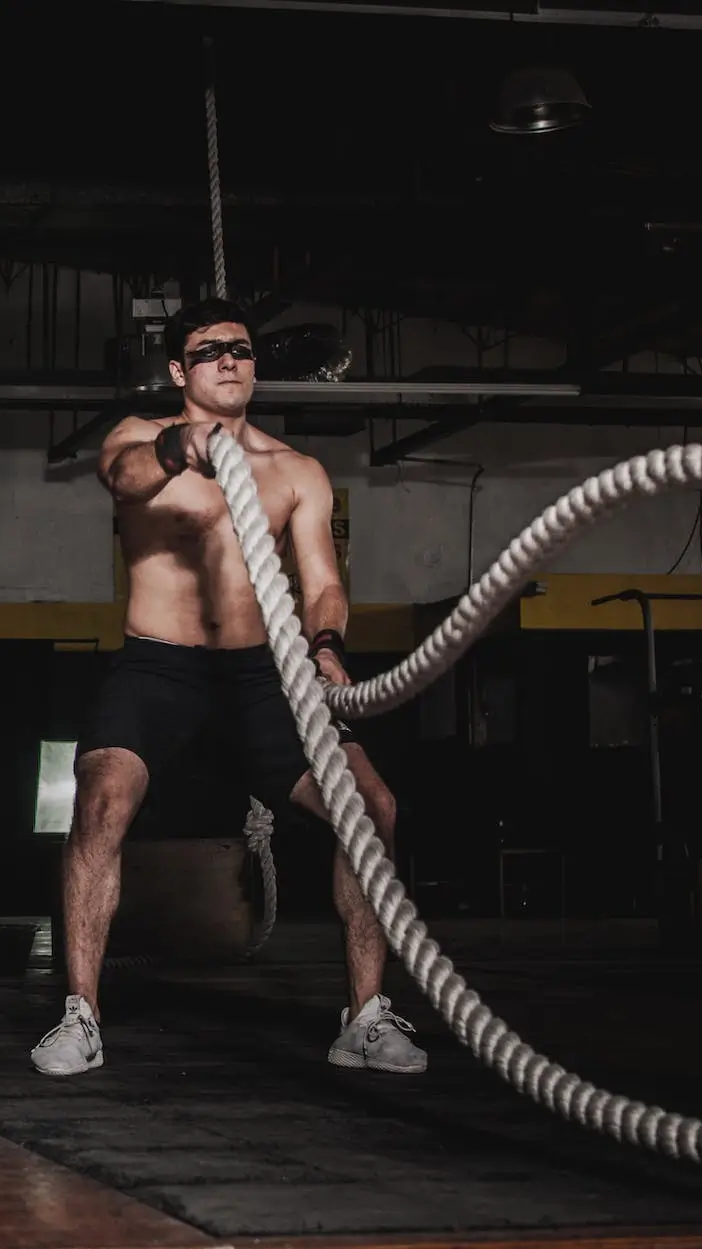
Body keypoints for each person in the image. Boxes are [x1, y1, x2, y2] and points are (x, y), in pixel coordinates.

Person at [30, 297, 425, 1078]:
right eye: (210, 350)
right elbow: (123, 476)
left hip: (262, 675)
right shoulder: (141, 439)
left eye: (241, 349)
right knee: (101, 800)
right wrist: (186, 446)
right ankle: (80, 1014)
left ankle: (365, 1017)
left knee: (372, 808)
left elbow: (323, 584)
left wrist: (325, 645)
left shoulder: (297, 471)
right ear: (180, 371)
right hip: (158, 667)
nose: (230, 361)